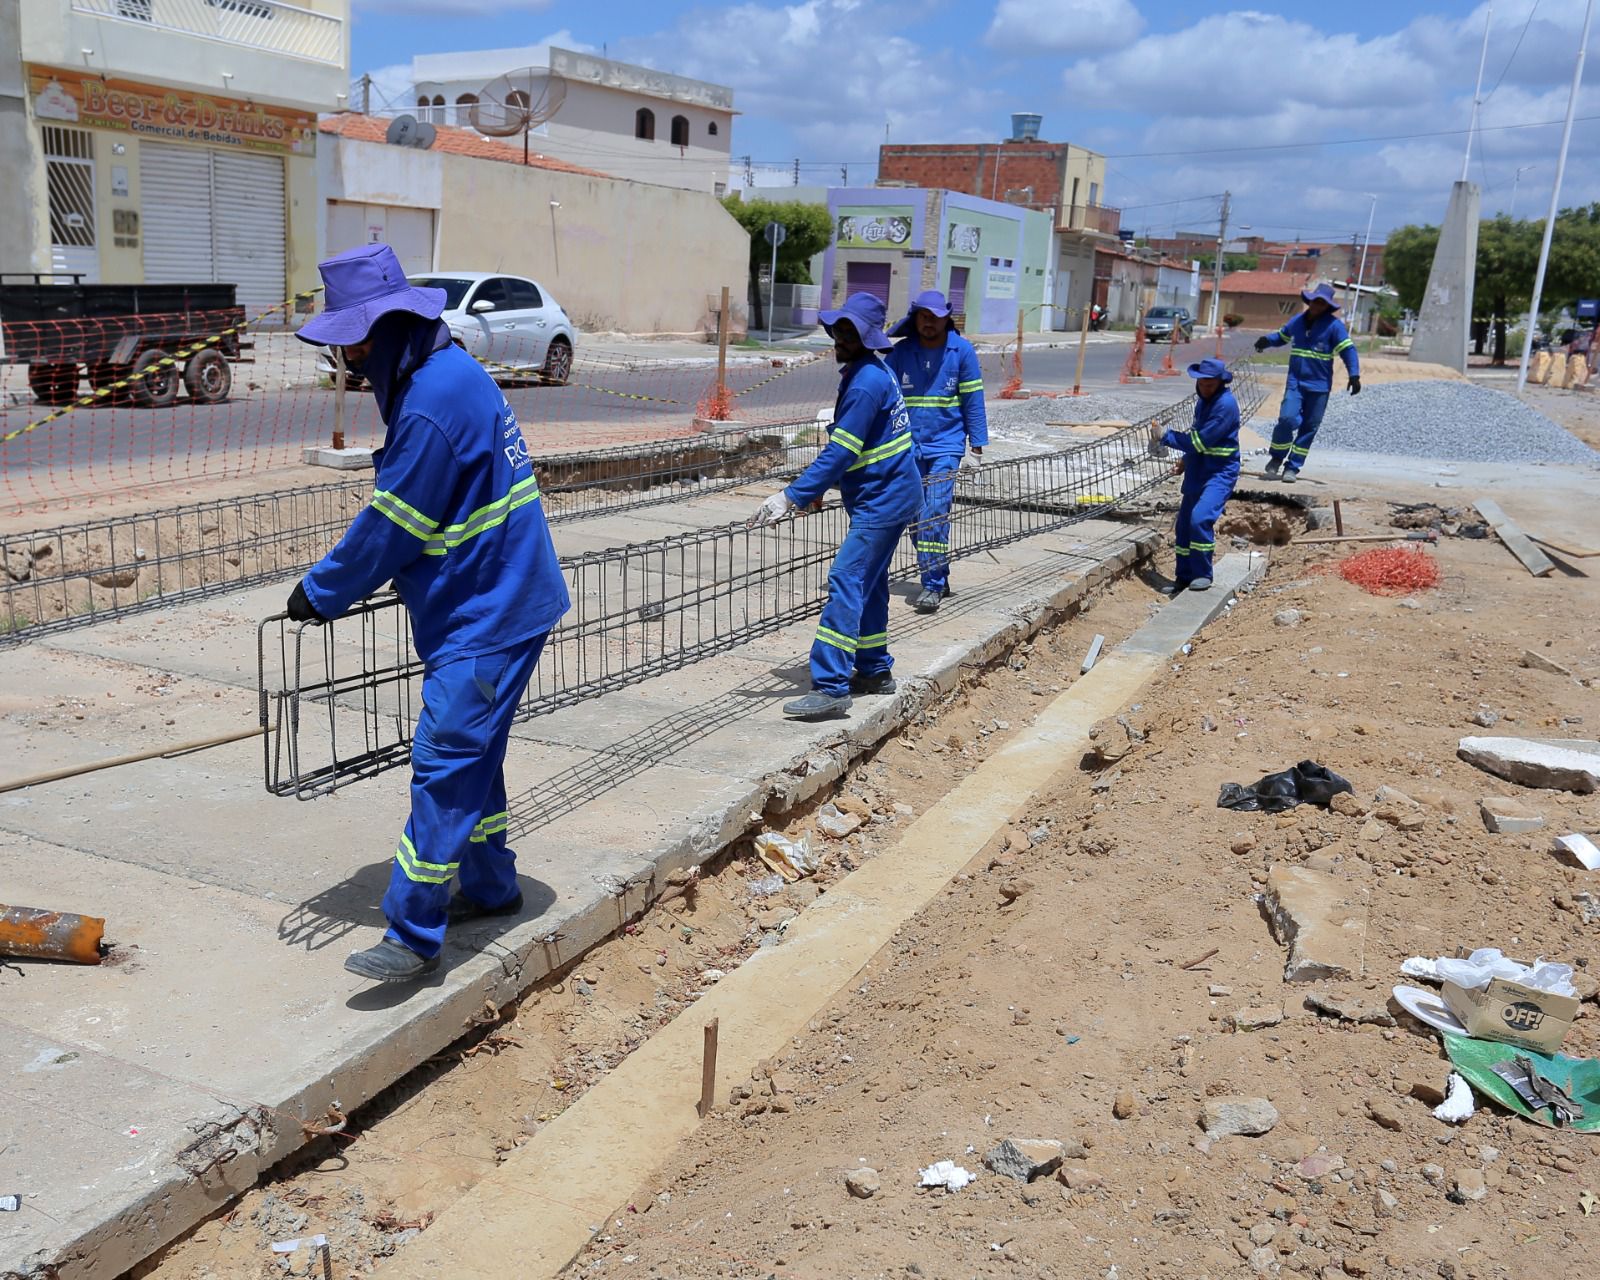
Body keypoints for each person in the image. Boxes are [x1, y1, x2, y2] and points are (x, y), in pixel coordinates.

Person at [286, 243, 570, 982]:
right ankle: (493, 885)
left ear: (384, 330)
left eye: (351, 342)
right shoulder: (439, 377)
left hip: (489, 613)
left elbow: (395, 522)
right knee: (477, 756)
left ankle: (413, 933)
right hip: (498, 595)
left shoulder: (433, 404)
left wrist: (323, 589)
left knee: (445, 763)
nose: (345, 358)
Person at [748, 292, 921, 721]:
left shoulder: (865, 382)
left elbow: (843, 450)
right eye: (838, 329)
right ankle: (874, 669)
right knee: (872, 582)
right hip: (891, 494)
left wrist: (792, 494)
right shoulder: (868, 373)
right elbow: (855, 447)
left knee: (846, 578)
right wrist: (822, 487)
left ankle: (830, 685)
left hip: (883, 500)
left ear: (868, 336)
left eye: (850, 331)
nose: (840, 337)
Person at [883, 289, 987, 613]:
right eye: (923, 316)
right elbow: (883, 397)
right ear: (915, 318)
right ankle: (938, 569)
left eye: (936, 317)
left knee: (934, 513)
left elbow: (973, 399)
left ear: (946, 319)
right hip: (908, 448)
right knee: (916, 518)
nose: (929, 323)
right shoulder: (900, 354)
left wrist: (977, 446)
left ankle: (932, 585)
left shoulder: (961, 352)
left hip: (946, 446)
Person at [1253, 281, 1360, 482]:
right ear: (1310, 302)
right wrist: (1266, 341)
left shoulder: (1334, 326)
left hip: (1319, 387)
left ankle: (1292, 467)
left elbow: (1348, 350)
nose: (1318, 306)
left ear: (1327, 307)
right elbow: (1281, 337)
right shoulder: (1298, 321)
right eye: (1315, 302)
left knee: (1309, 426)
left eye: (1322, 304)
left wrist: (1354, 375)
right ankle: (1276, 458)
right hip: (1296, 383)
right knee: (1287, 419)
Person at [1150, 357, 1240, 593]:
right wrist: (1185, 460)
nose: (1204, 388)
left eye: (1210, 385)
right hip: (1198, 469)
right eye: (1202, 384)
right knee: (1184, 526)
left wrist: (1165, 435)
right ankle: (1184, 577)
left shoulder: (1225, 406)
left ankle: (1202, 574)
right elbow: (1196, 437)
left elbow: (1200, 441)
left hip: (1220, 472)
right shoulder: (1203, 402)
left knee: (1200, 518)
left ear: (1220, 383)